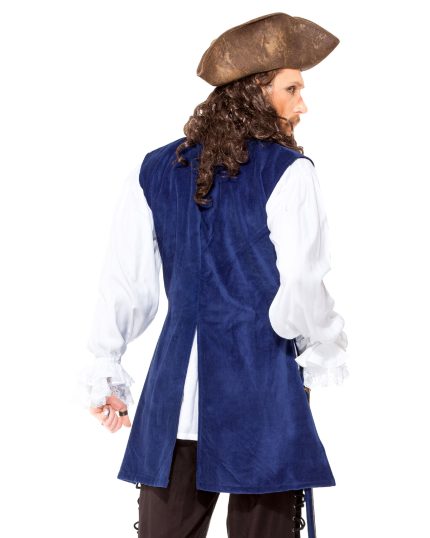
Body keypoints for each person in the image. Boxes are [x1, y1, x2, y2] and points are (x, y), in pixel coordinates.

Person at [79, 12, 350, 538]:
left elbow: (125, 286)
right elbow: (301, 287)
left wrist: (105, 365)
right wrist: (321, 347)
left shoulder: (154, 169)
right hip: (261, 387)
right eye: (292, 89)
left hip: (174, 394)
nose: (303, 105)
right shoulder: (290, 171)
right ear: (255, 92)